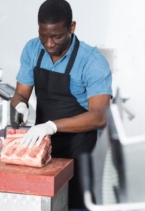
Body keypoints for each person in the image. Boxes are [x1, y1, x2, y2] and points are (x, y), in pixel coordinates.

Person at [10, 0, 112, 210]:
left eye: (57, 36)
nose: (49, 44)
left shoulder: (92, 61)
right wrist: (20, 106)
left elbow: (100, 116)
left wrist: (51, 126)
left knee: (76, 203)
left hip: (82, 150)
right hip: (44, 149)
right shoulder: (32, 49)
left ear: (72, 28)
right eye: (43, 36)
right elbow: (20, 93)